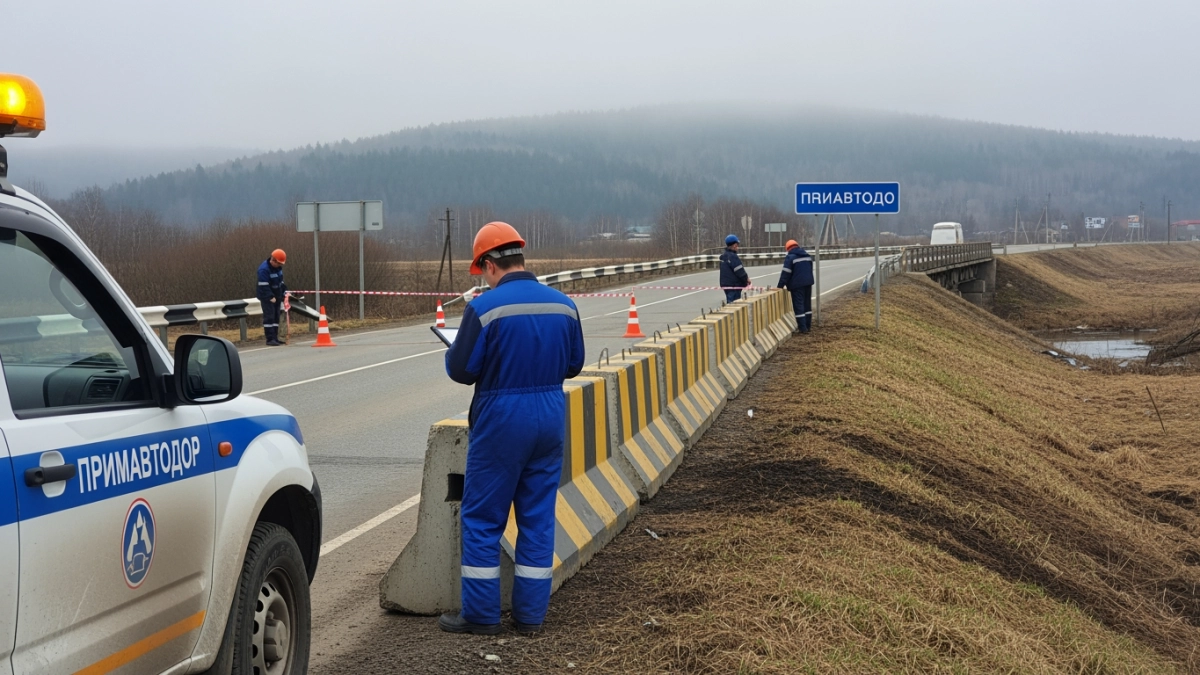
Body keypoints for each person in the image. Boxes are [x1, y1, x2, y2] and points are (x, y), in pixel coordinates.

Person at [440, 221, 585, 636]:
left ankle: (482, 616)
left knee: (484, 518)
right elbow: (574, 364)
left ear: (488, 263)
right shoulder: (563, 305)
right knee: (537, 519)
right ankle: (530, 618)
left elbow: (462, 370)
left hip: (502, 421)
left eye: (481, 269)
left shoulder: (484, 309)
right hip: (550, 418)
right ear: (519, 257)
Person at [777, 239, 814, 333]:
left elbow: (786, 273)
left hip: (797, 285)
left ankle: (802, 328)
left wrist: (780, 286)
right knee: (807, 305)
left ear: (788, 249)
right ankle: (808, 325)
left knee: (799, 306)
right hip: (808, 283)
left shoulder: (791, 257)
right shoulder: (807, 256)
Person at [255, 249, 288, 346]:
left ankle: (275, 338)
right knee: (269, 317)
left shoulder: (278, 268)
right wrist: (270, 296)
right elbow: (263, 286)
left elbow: (280, 283)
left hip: (276, 296)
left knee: (276, 317)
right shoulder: (264, 269)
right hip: (267, 297)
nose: (280, 265)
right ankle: (270, 339)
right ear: (273, 261)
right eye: (279, 263)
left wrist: (284, 292)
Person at [719, 234, 750, 302]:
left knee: (730, 303)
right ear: (735, 245)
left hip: (726, 285)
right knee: (734, 305)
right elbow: (740, 271)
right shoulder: (733, 256)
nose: (737, 247)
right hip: (734, 286)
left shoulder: (724, 257)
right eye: (737, 245)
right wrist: (746, 280)